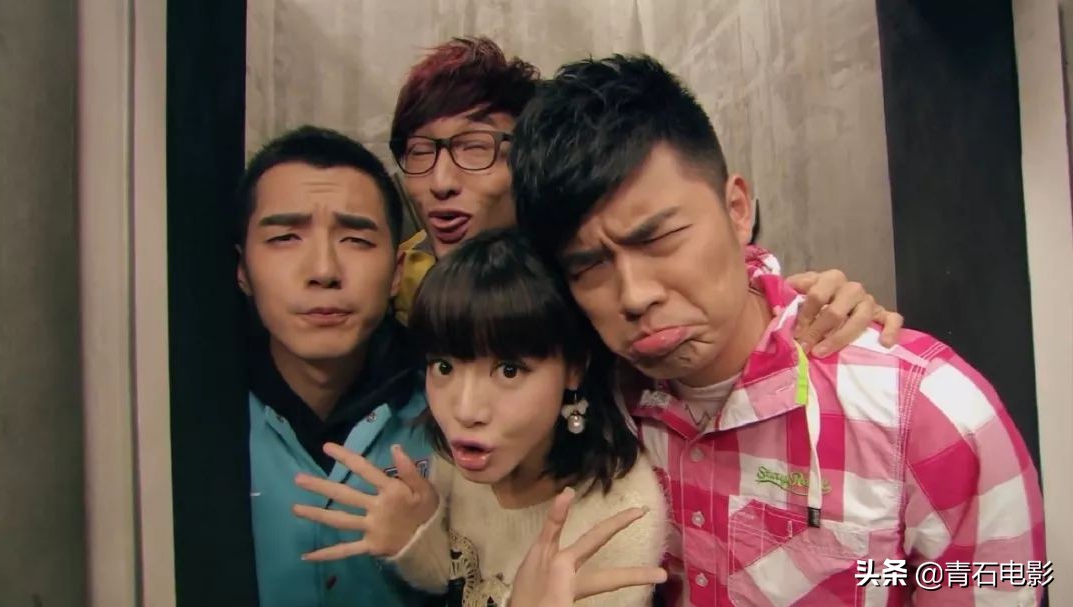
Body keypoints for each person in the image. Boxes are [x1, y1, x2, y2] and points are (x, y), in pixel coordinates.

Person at [508, 54, 1046, 606]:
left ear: (738, 209)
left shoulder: (926, 413)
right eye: (589, 266)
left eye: (657, 239)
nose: (634, 294)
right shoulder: (593, 403)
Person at [387, 36, 903, 358]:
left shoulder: (588, 292)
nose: (441, 181)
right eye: (418, 152)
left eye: (474, 147)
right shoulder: (392, 288)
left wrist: (823, 306)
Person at [292, 229, 668, 607]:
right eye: (443, 366)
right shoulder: (458, 459)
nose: (465, 411)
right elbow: (453, 580)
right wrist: (414, 537)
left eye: (508, 371)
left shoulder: (620, 517)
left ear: (574, 368)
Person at [234, 125, 435, 606]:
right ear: (242, 270)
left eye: (356, 240)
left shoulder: (451, 408)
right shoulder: (185, 424)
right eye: (285, 237)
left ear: (396, 272)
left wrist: (431, 550)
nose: (324, 270)